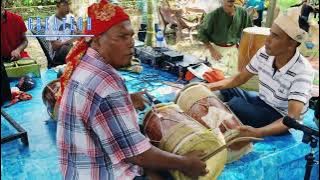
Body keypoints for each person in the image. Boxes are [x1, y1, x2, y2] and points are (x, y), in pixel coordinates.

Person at [57, 1, 207, 179]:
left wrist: (126, 99)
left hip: (77, 170)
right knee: (167, 171)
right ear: (96, 40)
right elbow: (137, 154)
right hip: (102, 173)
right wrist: (185, 163)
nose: (131, 44)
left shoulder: (85, 63)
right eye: (121, 37)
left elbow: (95, 104)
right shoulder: (106, 84)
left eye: (131, 36)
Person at [206, 8, 314, 139]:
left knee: (236, 105)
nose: (267, 40)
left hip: (280, 118)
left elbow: (292, 118)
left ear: (291, 44)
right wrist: (209, 87)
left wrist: (259, 132)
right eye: (270, 33)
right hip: (262, 101)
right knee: (227, 91)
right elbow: (240, 78)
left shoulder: (302, 72)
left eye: (275, 36)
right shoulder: (265, 52)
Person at [198, 0, 252, 75]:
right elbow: (201, 33)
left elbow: (248, 31)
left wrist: (243, 50)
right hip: (217, 52)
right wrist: (212, 50)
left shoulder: (242, 12)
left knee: (234, 76)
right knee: (216, 77)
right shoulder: (213, 14)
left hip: (234, 51)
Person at [45, 0, 80, 67]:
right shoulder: (50, 22)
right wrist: (71, 40)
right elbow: (55, 46)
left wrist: (79, 33)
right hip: (57, 54)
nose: (68, 7)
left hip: (71, 47)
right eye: (65, 5)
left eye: (69, 4)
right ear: (57, 6)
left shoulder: (70, 17)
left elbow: (77, 32)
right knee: (66, 48)